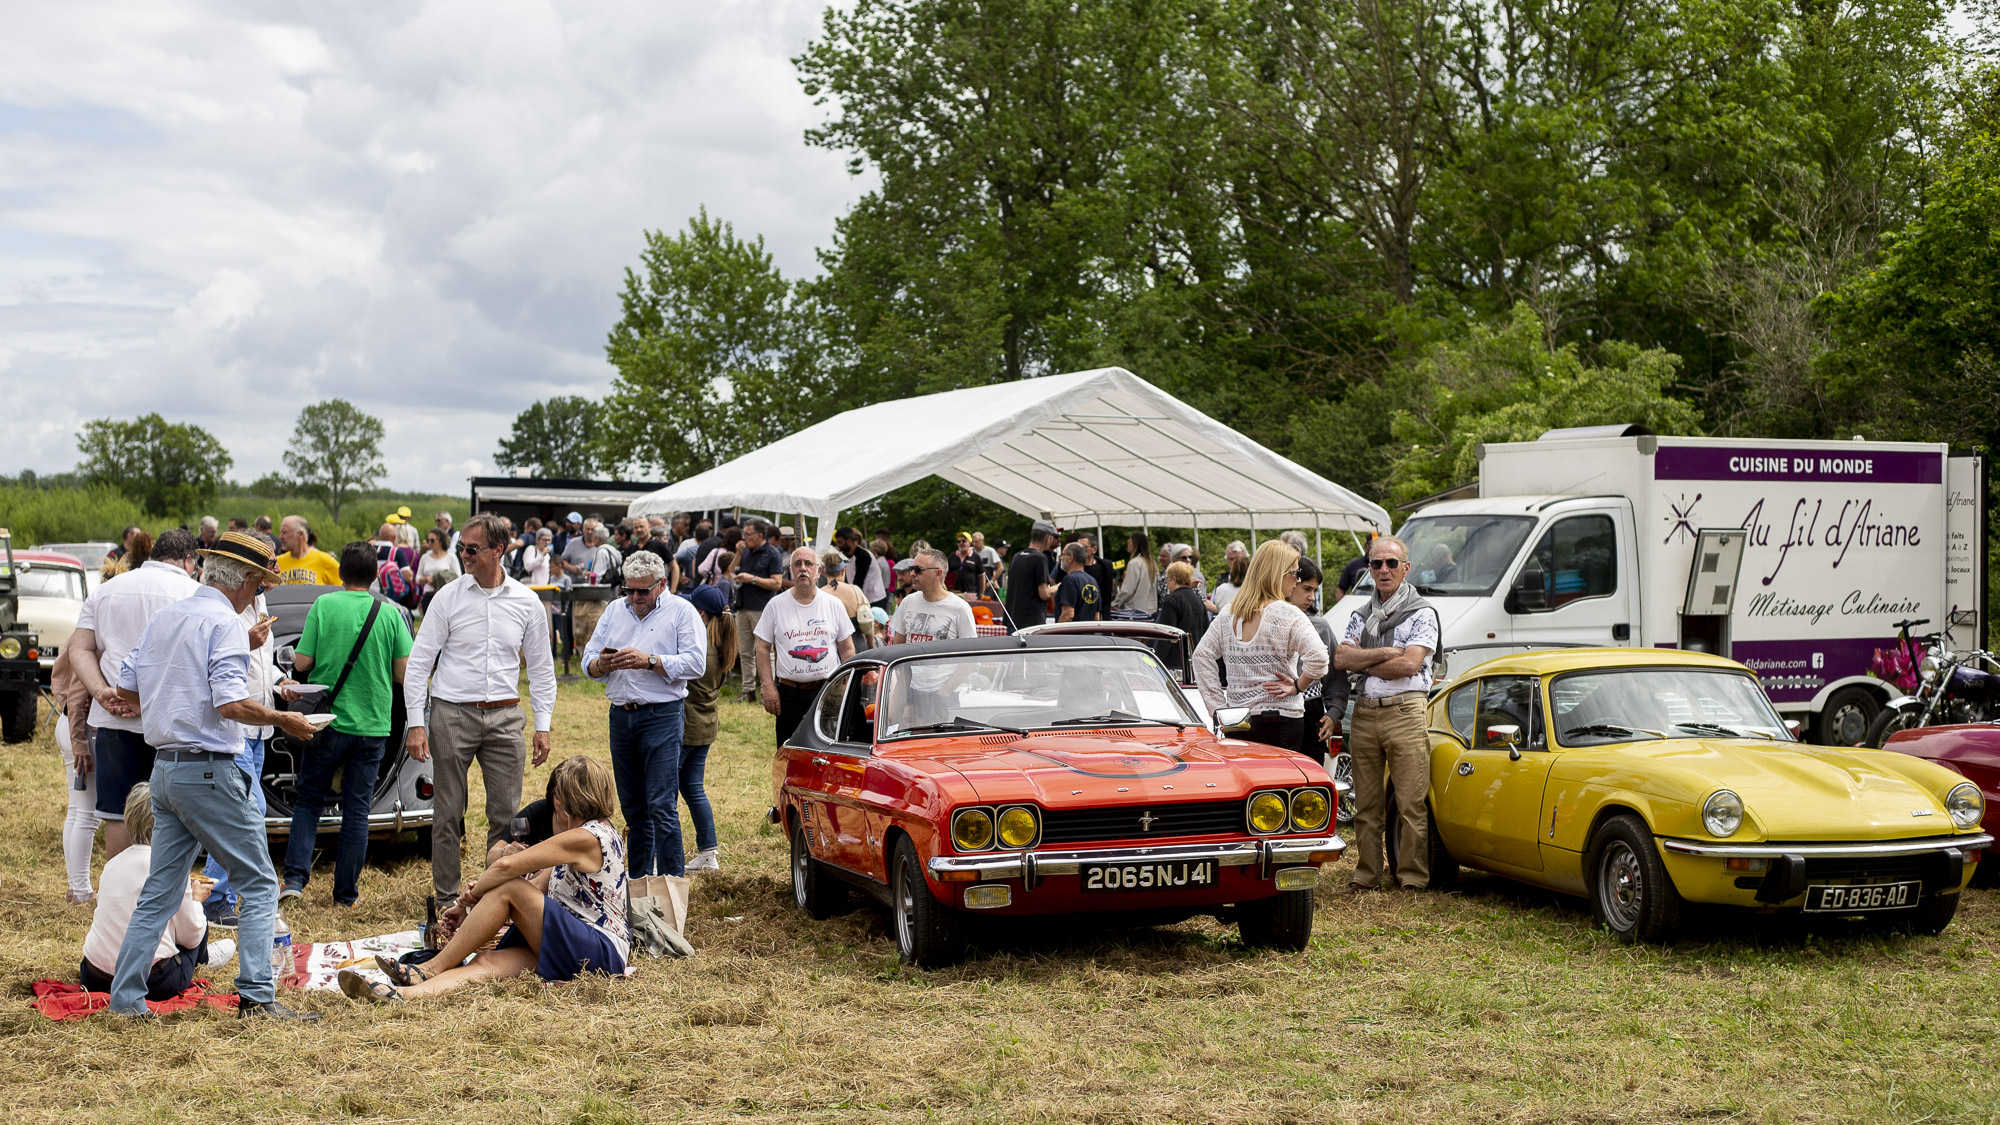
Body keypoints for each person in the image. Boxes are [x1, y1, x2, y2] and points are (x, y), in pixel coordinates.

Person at [106, 531, 319, 1021]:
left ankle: (126, 1000)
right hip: (209, 770)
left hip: (166, 770)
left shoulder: (168, 617)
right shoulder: (224, 622)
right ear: (245, 581)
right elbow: (228, 703)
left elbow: (125, 686)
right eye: (260, 584)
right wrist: (284, 719)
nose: (259, 594)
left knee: (161, 891)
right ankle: (258, 999)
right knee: (261, 883)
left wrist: (173, 708)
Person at [341, 755, 628, 1003]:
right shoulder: (591, 835)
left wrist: (468, 898)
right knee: (486, 962)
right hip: (575, 943)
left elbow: (506, 866)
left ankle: (429, 968)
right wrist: (474, 907)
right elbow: (535, 888)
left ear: (563, 802)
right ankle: (402, 996)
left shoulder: (587, 837)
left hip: (599, 951)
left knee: (510, 887)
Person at [405, 512, 558, 909]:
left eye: (472, 549)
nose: (464, 555)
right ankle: (445, 900)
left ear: (499, 551)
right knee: (447, 814)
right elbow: (420, 662)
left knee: (508, 819)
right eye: (461, 549)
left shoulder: (527, 602)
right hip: (452, 713)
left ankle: (491, 900)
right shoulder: (448, 597)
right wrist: (416, 724)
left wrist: (543, 726)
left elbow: (542, 668)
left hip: (506, 716)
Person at [279, 543, 414, 906]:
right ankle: (345, 896)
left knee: (308, 801)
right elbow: (404, 673)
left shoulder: (323, 605)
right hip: (372, 725)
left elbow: (303, 662)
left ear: (340, 573)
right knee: (358, 810)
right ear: (374, 576)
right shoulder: (388, 614)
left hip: (326, 723)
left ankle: (293, 879)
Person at [66, 527, 200, 861]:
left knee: (118, 812)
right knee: (172, 815)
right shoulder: (196, 593)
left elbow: (79, 649)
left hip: (113, 716)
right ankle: (164, 901)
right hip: (172, 724)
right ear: (189, 560)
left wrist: (100, 692)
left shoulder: (109, 589)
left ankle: (118, 897)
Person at [582, 551, 704, 878]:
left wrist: (650, 660)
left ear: (662, 584)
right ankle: (636, 884)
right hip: (621, 716)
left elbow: (696, 663)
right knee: (633, 809)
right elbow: (588, 659)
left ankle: (670, 886)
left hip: (661, 714)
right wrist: (601, 665)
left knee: (662, 806)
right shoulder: (614, 610)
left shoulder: (681, 611)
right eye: (629, 590)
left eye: (642, 591)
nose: (634, 598)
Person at [1334, 535, 1439, 893]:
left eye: (1391, 563)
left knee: (1411, 802)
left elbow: (1410, 664)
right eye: (1376, 563)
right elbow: (1340, 659)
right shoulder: (1360, 613)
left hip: (1406, 712)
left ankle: (1412, 879)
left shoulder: (1423, 612)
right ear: (1368, 569)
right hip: (1364, 712)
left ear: (1405, 568)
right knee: (1366, 804)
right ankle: (1365, 876)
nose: (1383, 570)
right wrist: (1387, 655)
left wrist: (1365, 660)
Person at [81, 784, 236, 1000]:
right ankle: (205, 959)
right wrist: (196, 900)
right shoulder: (170, 867)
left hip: (94, 974)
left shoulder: (111, 865)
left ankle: (204, 955)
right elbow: (190, 936)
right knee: (193, 926)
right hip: (152, 979)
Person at [200, 571, 281, 928]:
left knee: (243, 813)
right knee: (247, 810)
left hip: (259, 730)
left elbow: (263, 666)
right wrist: (244, 641)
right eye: (270, 567)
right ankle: (218, 897)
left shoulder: (260, 603)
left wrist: (282, 682)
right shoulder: (227, 611)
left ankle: (222, 896)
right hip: (235, 726)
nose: (276, 574)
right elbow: (217, 665)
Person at [1192, 541, 1328, 753]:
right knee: (1280, 783)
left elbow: (1201, 656)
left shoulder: (1229, 613)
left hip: (1236, 720)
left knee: (1246, 783)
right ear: (1278, 573)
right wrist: (1299, 685)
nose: (1297, 579)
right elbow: (1319, 659)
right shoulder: (1288, 614)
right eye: (1295, 572)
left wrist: (1218, 708)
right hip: (1282, 720)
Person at [755, 547, 856, 747]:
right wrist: (767, 686)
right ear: (791, 571)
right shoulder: (775, 605)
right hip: (789, 693)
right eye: (797, 564)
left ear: (818, 572)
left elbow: (847, 648)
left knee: (829, 749)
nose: (803, 568)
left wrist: (847, 684)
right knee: (790, 750)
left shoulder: (833, 604)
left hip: (828, 691)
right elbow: (762, 647)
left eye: (808, 564)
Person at [677, 584, 734, 872]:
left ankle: (666, 854)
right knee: (693, 788)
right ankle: (708, 852)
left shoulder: (699, 650)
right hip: (706, 725)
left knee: (664, 793)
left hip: (687, 728)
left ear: (700, 613)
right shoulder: (721, 646)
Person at [52, 649, 103, 904]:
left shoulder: (81, 631)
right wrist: (81, 741)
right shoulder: (92, 635)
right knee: (87, 815)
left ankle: (76, 886)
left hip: (68, 724)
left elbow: (57, 676)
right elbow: (76, 693)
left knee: (77, 810)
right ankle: (81, 890)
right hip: (81, 729)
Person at [730, 519, 785, 703]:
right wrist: (738, 553)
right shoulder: (745, 551)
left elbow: (777, 583)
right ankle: (748, 690)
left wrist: (752, 579)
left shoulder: (772, 553)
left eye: (747, 534)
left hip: (762, 608)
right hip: (743, 606)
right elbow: (730, 571)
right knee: (744, 651)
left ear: (759, 535)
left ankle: (766, 691)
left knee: (764, 651)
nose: (744, 538)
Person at [1287, 558, 1336, 761]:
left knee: (1311, 775)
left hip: (1311, 706)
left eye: (1314, 590)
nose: (1312, 597)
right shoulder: (1261, 620)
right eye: (1307, 588)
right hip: (1275, 711)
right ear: (1290, 582)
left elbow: (1334, 675)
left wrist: (1334, 712)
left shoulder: (1320, 626)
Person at [888, 548, 977, 644]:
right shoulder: (908, 602)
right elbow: (898, 646)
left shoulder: (960, 608)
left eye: (918, 570)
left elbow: (969, 651)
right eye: (912, 569)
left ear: (938, 574)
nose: (912, 574)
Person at [1004, 521, 1060, 632]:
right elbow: (1044, 594)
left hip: (1012, 620)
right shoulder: (1040, 558)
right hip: (1030, 623)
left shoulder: (1016, 556)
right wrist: (1061, 585)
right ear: (1048, 539)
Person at [822, 548, 872, 644]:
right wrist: (870, 647)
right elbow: (868, 622)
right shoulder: (856, 591)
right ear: (843, 571)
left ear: (825, 572)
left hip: (830, 648)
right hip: (856, 647)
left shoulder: (819, 594)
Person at [277, 515, 340, 585]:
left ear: (300, 534)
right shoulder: (276, 563)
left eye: (284, 532)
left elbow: (344, 588)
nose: (280, 537)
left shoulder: (325, 561)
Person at [1056, 543, 1104, 623]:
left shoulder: (1070, 580)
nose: (1060, 558)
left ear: (1071, 558)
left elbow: (1068, 614)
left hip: (1073, 634)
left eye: (1062, 555)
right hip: (1089, 633)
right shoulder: (1093, 581)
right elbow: (1097, 616)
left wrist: (1055, 633)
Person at [1112, 531, 1156, 617]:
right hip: (1150, 611)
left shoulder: (1134, 563)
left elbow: (1128, 590)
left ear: (1135, 543)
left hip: (1133, 612)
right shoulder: (1152, 563)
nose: (1128, 544)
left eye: (1129, 541)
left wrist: (1115, 603)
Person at [416, 527, 462, 611]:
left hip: (446, 597)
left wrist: (443, 578)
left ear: (441, 540)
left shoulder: (451, 557)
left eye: (432, 540)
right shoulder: (424, 557)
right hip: (428, 595)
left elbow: (458, 577)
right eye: (428, 540)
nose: (429, 543)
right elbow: (417, 578)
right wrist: (426, 579)